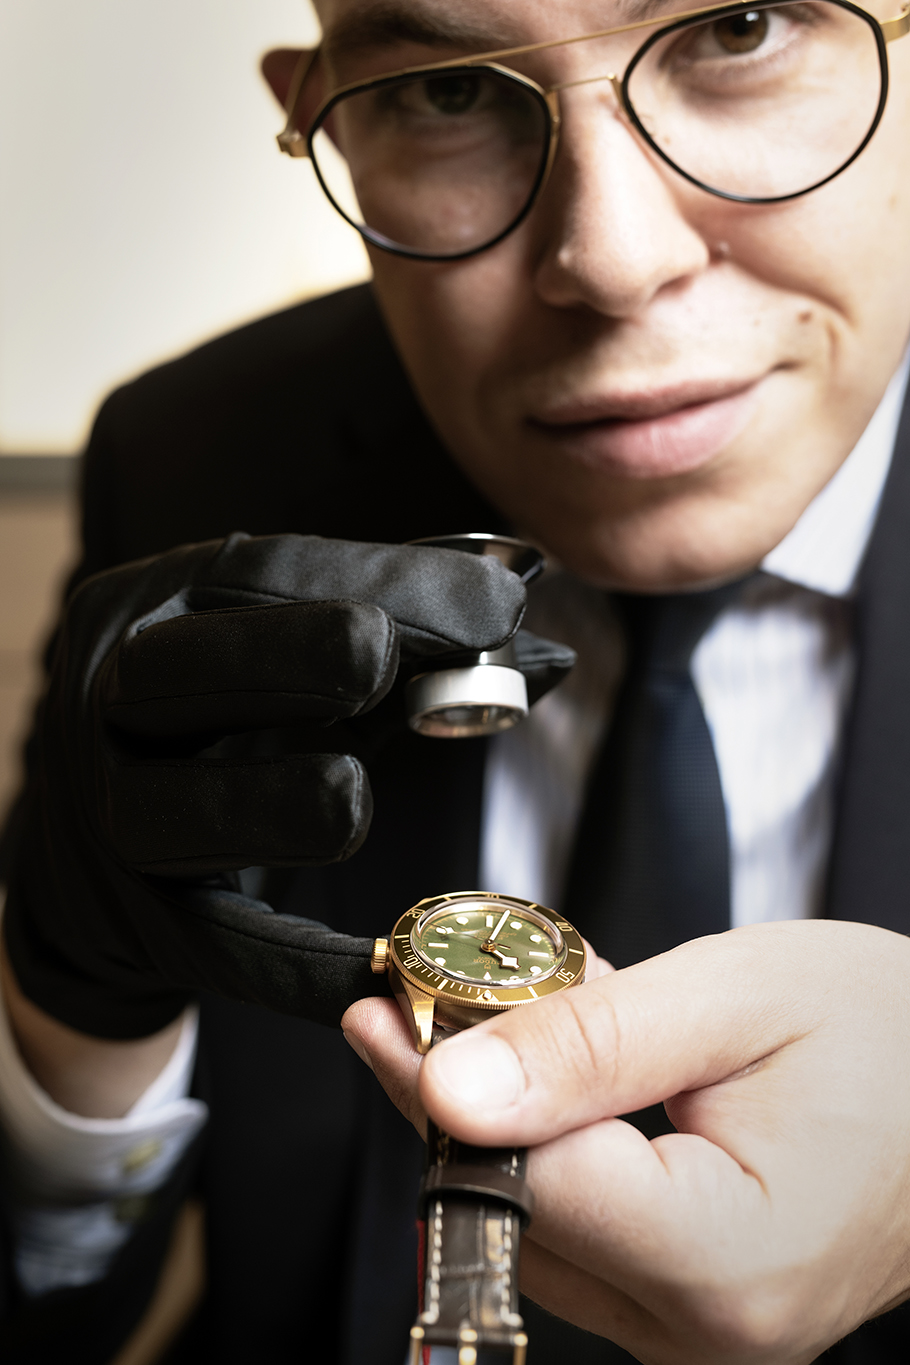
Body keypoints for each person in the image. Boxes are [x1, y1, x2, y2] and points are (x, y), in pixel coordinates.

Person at [2, 0, 910, 1360]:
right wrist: (70, 1017)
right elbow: (53, 1302)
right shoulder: (197, 460)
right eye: (447, 92)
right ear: (326, 121)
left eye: (738, 29)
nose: (612, 261)